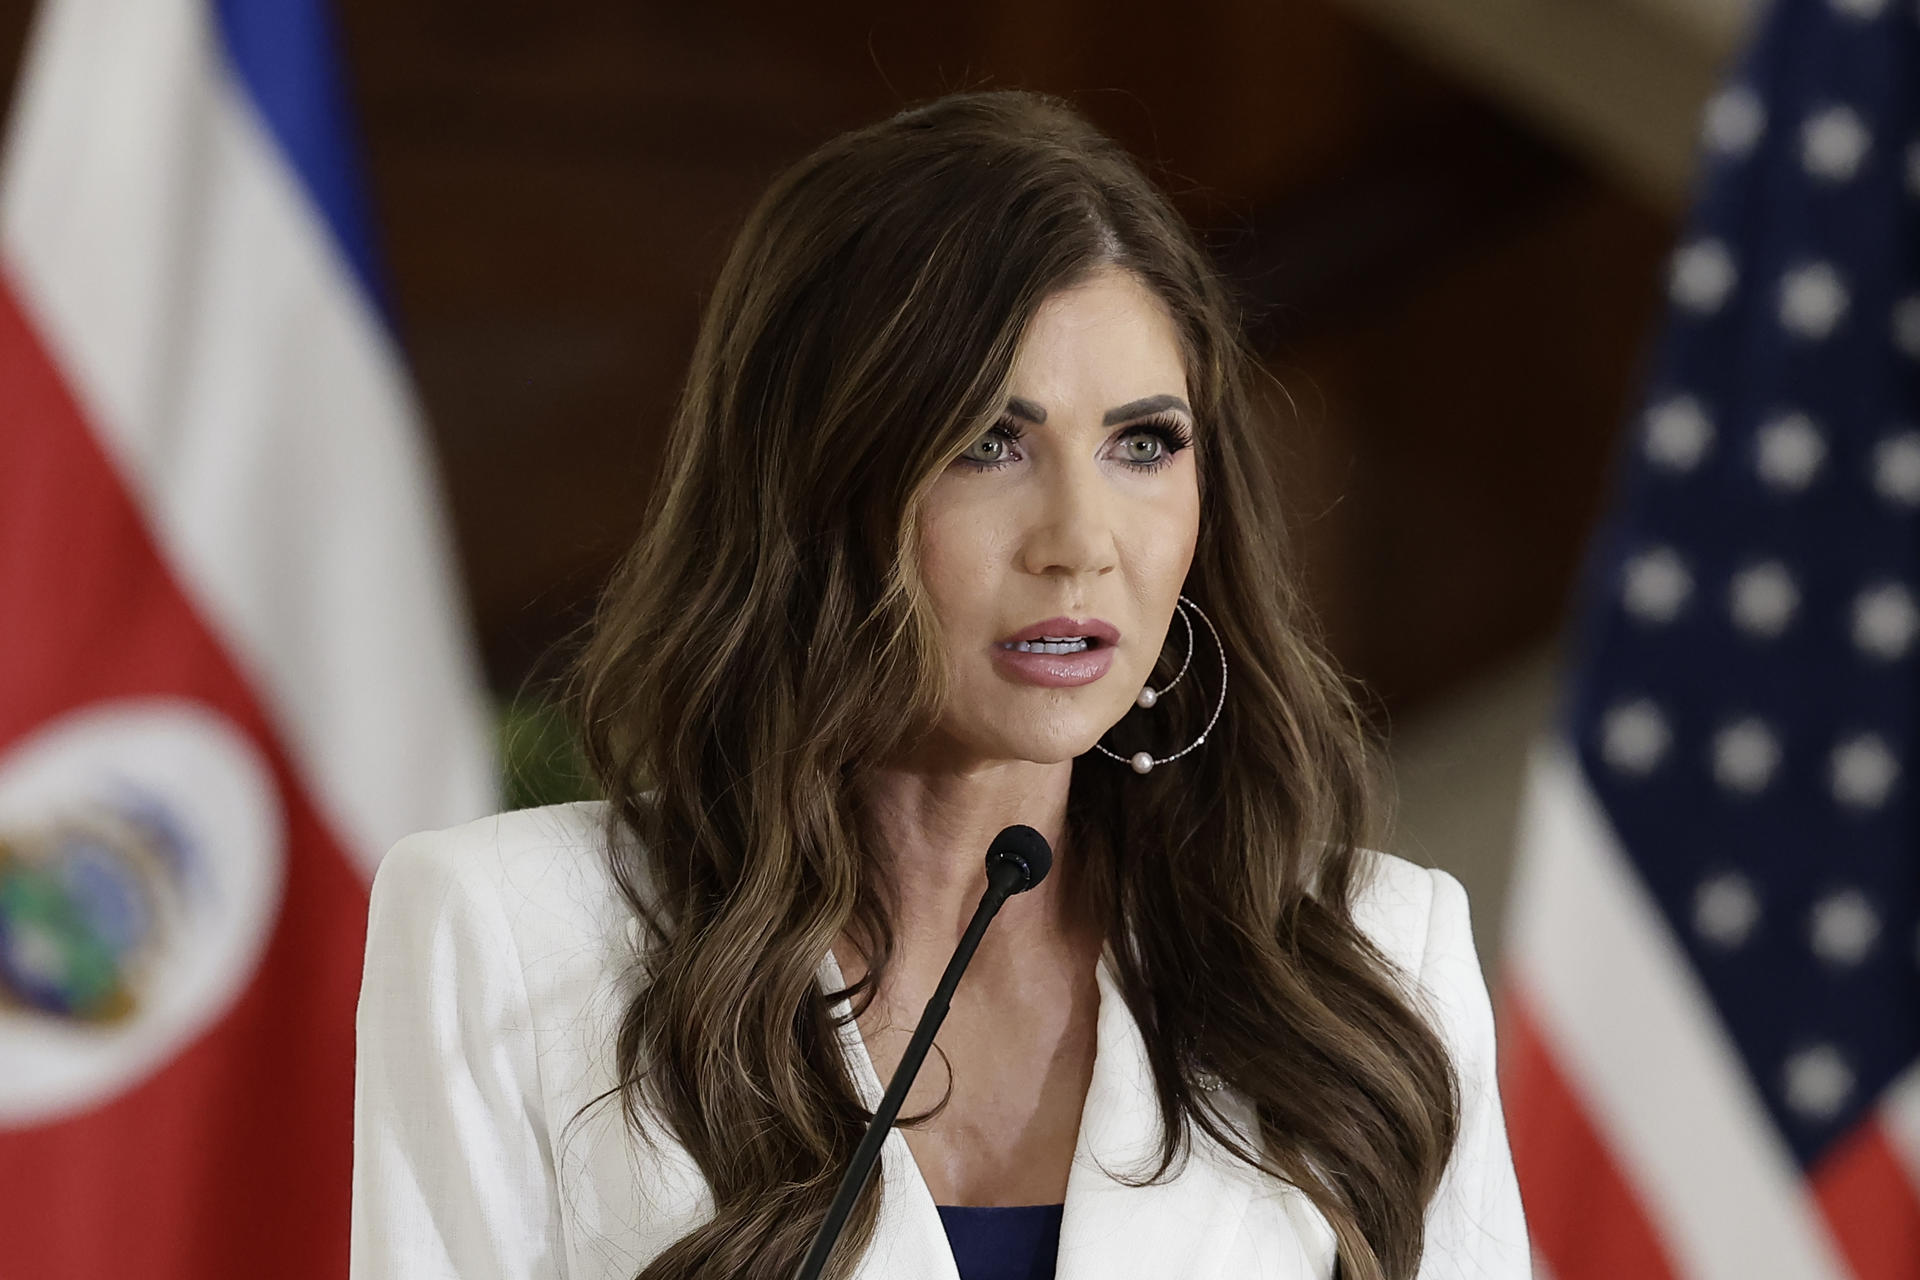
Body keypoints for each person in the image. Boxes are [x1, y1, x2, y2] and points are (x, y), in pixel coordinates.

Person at [349, 89, 1530, 1280]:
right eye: (988, 442)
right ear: (815, 485)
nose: (1081, 541)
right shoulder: (507, 936)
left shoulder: (1372, 962)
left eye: (1143, 443)